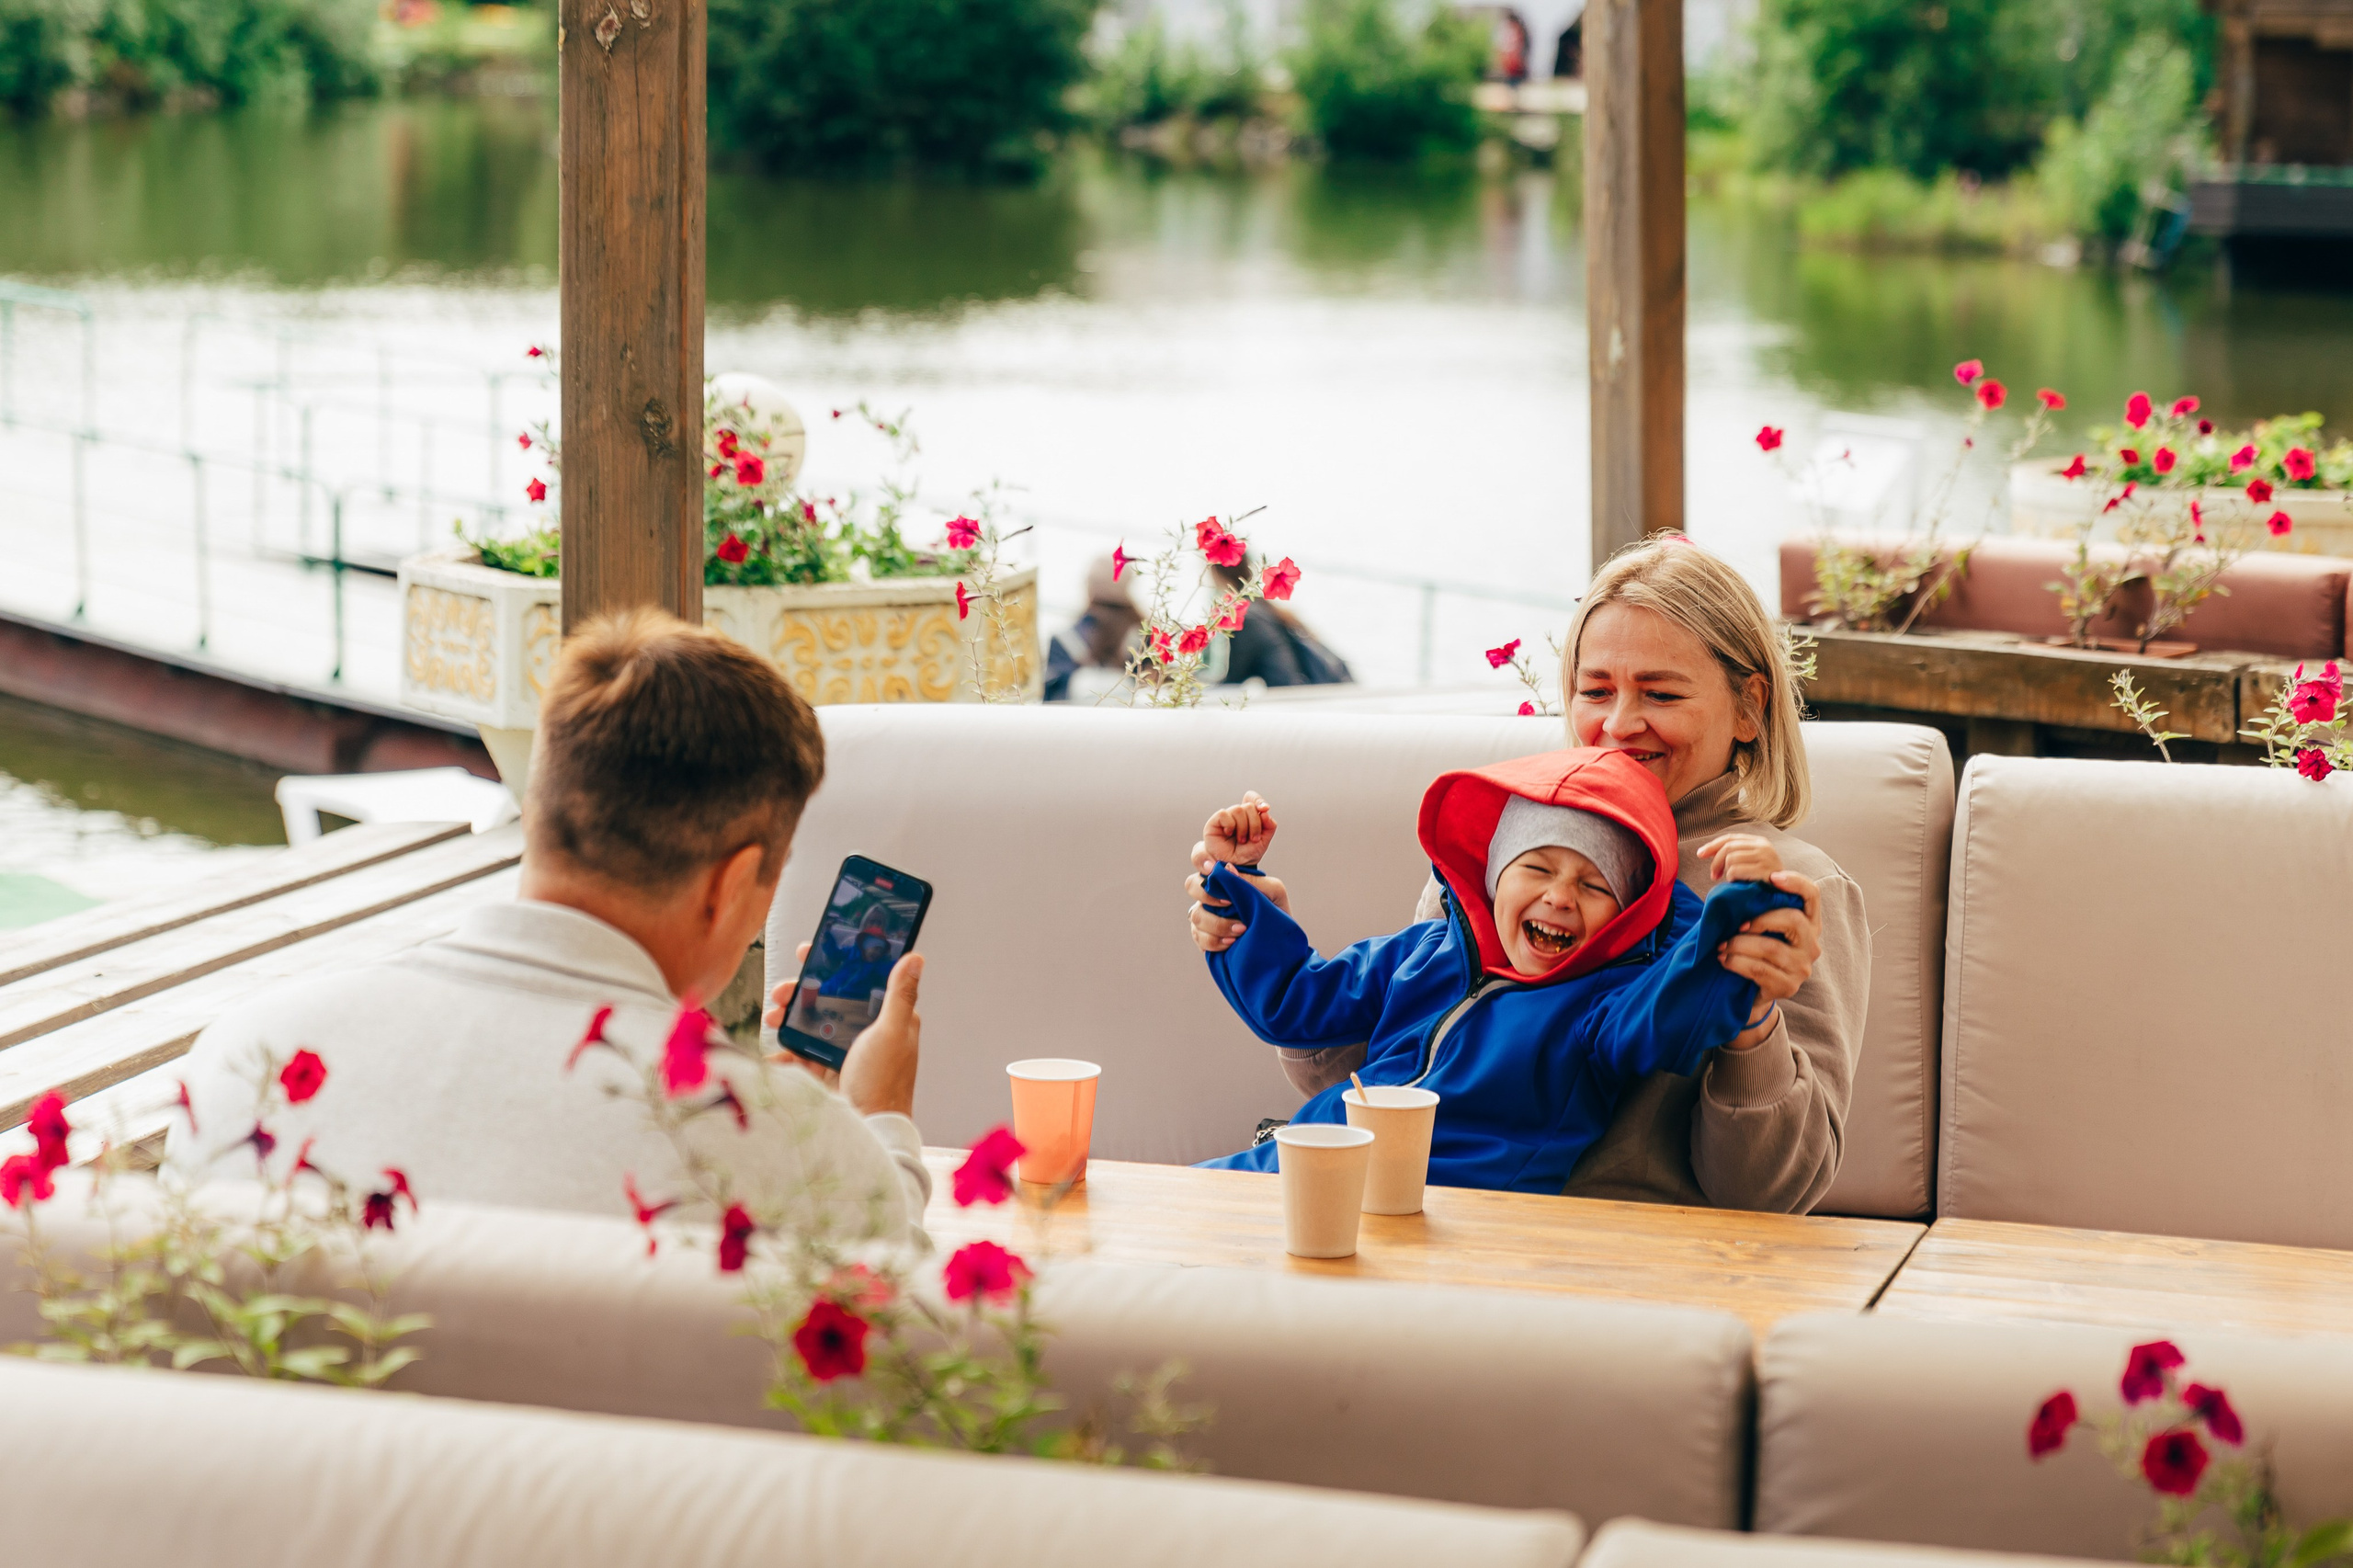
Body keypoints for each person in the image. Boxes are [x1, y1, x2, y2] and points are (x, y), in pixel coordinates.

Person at [170, 609, 933, 1241]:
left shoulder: (249, 1054)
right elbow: (901, 1328)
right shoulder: (794, 1149)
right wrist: (878, 1124)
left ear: (539, 811)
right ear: (732, 886)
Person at [1188, 536, 1869, 1214]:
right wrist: (1258, 930)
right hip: (1412, 1211)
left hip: (1597, 1249)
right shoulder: (1507, 845)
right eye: (1595, 691)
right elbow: (1378, 1079)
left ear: (1750, 707)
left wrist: (1750, 1023)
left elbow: (1768, 1195)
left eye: (1660, 693)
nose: (1619, 724)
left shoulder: (1786, 893)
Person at [1192, 751, 1802, 1190]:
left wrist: (1745, 908)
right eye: (1536, 869)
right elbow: (1296, 1003)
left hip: (1453, 1205)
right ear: (1493, 878)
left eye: (1595, 885)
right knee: (1169, 1207)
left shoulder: (1604, 1004)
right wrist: (1239, 890)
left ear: (1626, 918)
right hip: (1318, 1160)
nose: (1559, 897)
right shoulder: (1424, 951)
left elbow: (1675, 1009)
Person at [1210, 557, 1352, 687]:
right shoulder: (1261, 608)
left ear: (1216, 573)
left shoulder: (1245, 616)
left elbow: (1234, 678)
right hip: (1300, 689)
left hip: (1291, 694)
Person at [1043, 555, 1142, 702]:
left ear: (1089, 587)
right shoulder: (1146, 641)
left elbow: (1051, 700)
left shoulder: (1062, 641)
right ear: (1127, 586)